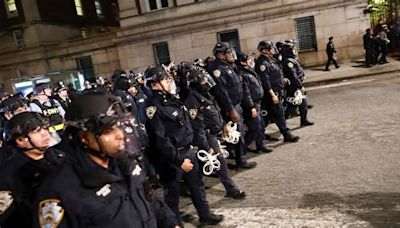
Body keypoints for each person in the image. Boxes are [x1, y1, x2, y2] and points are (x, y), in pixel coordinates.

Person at [34, 92, 179, 228]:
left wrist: (171, 223)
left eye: (120, 126)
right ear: (84, 137)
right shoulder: (59, 190)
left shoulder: (127, 162)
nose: (120, 135)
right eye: (109, 130)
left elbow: (149, 200)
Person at [144, 66, 223, 226]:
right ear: (154, 84)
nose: (168, 81)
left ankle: (205, 215)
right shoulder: (152, 106)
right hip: (172, 159)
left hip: (188, 151)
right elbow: (160, 140)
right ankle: (174, 223)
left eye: (168, 78)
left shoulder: (172, 99)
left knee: (197, 187)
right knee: (172, 194)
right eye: (164, 79)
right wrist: (179, 161)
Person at [181, 65, 247, 199]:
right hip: (205, 135)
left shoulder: (206, 95)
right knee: (219, 162)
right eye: (203, 81)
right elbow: (197, 127)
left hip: (211, 132)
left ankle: (188, 186)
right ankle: (231, 189)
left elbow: (215, 112)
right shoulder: (192, 101)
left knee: (199, 167)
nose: (206, 83)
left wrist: (222, 125)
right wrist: (206, 146)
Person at [0, 112, 65, 228]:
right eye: (36, 131)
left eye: (45, 128)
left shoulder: (57, 156)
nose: (45, 134)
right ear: (20, 140)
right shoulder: (9, 174)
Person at [206, 42, 257, 170]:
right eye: (228, 52)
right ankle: (241, 161)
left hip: (236, 104)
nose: (232, 54)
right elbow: (222, 93)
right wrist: (231, 109)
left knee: (237, 133)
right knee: (237, 134)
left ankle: (236, 155)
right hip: (230, 107)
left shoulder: (228, 66)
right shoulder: (217, 69)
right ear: (220, 55)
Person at [255, 40, 299, 142]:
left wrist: (282, 79)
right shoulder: (262, 63)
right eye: (271, 48)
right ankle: (286, 134)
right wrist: (272, 95)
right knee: (279, 114)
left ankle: (259, 134)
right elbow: (265, 81)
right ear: (265, 50)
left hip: (277, 92)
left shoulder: (271, 60)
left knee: (266, 116)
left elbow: (275, 73)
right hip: (271, 94)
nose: (273, 49)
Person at [235, 52, 272, 153]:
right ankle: (242, 148)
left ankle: (260, 145)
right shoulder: (242, 75)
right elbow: (246, 94)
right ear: (242, 62)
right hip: (251, 106)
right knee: (255, 128)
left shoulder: (249, 71)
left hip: (257, 104)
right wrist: (251, 107)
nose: (251, 60)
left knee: (260, 126)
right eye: (247, 59)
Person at [280, 42, 315, 127]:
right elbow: (293, 76)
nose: (295, 51)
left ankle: (304, 120)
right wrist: (300, 86)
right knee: (291, 107)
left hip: (295, 86)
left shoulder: (291, 59)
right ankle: (280, 121)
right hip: (294, 87)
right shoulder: (289, 61)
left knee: (302, 104)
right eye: (293, 49)